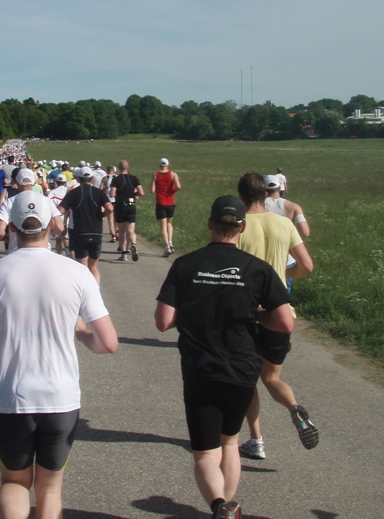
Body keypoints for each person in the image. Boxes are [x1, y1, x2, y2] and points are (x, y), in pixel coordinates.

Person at [0, 191, 118, 519]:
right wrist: (80, 333)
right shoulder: (78, 274)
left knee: (14, 483)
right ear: (52, 226)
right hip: (61, 398)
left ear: (11, 227)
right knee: (50, 487)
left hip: (11, 396)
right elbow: (108, 343)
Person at [155, 196, 292, 519]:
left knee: (204, 454)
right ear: (242, 228)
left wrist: (191, 311)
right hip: (243, 367)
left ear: (209, 224)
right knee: (230, 442)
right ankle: (226, 507)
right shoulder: (257, 269)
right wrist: (253, 315)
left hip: (200, 369)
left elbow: (163, 322)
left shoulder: (185, 265)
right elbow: (285, 323)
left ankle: (219, 505)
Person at [235, 172, 317, 459]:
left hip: (248, 312)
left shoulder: (239, 227)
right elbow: (306, 265)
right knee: (272, 377)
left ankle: (256, 440)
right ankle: (295, 409)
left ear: (242, 197)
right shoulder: (284, 223)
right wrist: (282, 272)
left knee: (247, 380)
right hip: (281, 311)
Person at [58, 167, 113, 285]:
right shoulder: (99, 193)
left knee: (82, 267)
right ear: (92, 179)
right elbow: (110, 208)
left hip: (80, 233)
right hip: (96, 232)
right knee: (93, 266)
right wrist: (101, 215)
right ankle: (96, 290)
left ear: (78, 179)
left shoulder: (73, 193)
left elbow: (60, 210)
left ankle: (84, 294)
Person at [110, 161, 144, 262]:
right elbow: (141, 192)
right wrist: (133, 193)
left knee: (121, 231)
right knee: (131, 230)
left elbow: (112, 194)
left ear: (119, 168)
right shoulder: (134, 178)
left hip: (120, 206)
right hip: (131, 205)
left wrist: (119, 194)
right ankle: (133, 244)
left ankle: (124, 254)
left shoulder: (116, 179)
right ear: (128, 167)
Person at [151, 157, 181, 257]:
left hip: (160, 202)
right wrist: (172, 191)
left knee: (163, 225)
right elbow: (178, 187)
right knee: (169, 223)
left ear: (160, 165)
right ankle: (170, 241)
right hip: (171, 202)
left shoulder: (156, 175)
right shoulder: (173, 174)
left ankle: (167, 246)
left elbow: (152, 190)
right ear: (167, 165)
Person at [100, 165, 118, 242]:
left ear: (107, 170)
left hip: (108, 199)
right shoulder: (118, 178)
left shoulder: (104, 178)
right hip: (117, 199)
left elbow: (100, 189)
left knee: (110, 218)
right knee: (116, 217)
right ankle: (117, 232)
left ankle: (113, 235)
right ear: (114, 170)